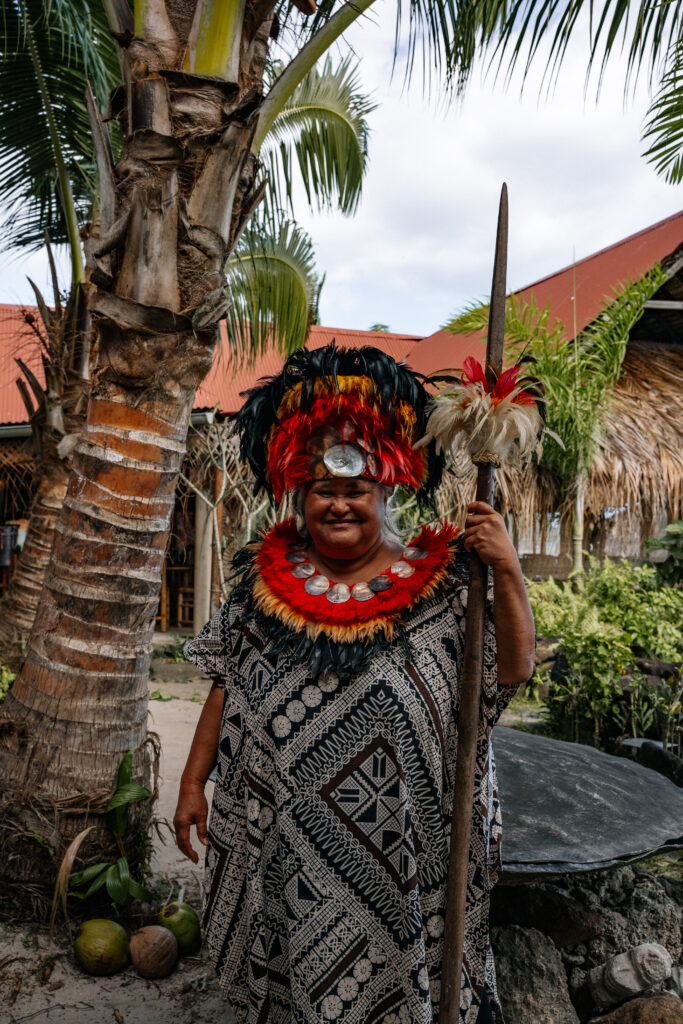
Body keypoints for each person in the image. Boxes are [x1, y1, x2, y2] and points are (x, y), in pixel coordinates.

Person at [174, 344, 535, 1024]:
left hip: (404, 846)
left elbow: (510, 671)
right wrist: (195, 782)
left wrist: (509, 573)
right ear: (299, 494)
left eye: (355, 490)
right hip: (285, 843)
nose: (338, 505)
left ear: (386, 492)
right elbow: (224, 681)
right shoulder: (261, 586)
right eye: (322, 491)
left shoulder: (446, 582)